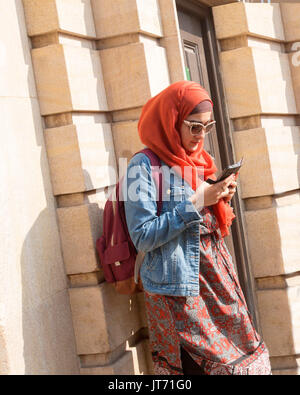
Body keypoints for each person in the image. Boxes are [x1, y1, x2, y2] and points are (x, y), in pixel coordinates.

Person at [123, 81, 271, 375]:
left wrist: (219, 198)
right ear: (171, 120)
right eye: (193, 127)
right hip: (181, 294)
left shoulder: (199, 161)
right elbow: (142, 235)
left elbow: (209, 225)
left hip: (218, 288)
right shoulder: (142, 166)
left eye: (207, 126)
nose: (201, 135)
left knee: (247, 366)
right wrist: (196, 202)